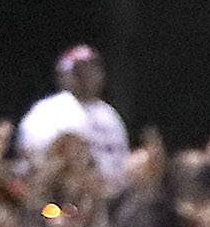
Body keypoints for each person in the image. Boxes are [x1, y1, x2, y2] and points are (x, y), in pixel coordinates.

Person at [17, 46, 128, 192]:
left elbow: (122, 160)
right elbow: (33, 156)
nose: (86, 76)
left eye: (91, 70)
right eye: (78, 72)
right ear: (63, 75)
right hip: (60, 196)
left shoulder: (109, 115)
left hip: (108, 198)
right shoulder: (47, 111)